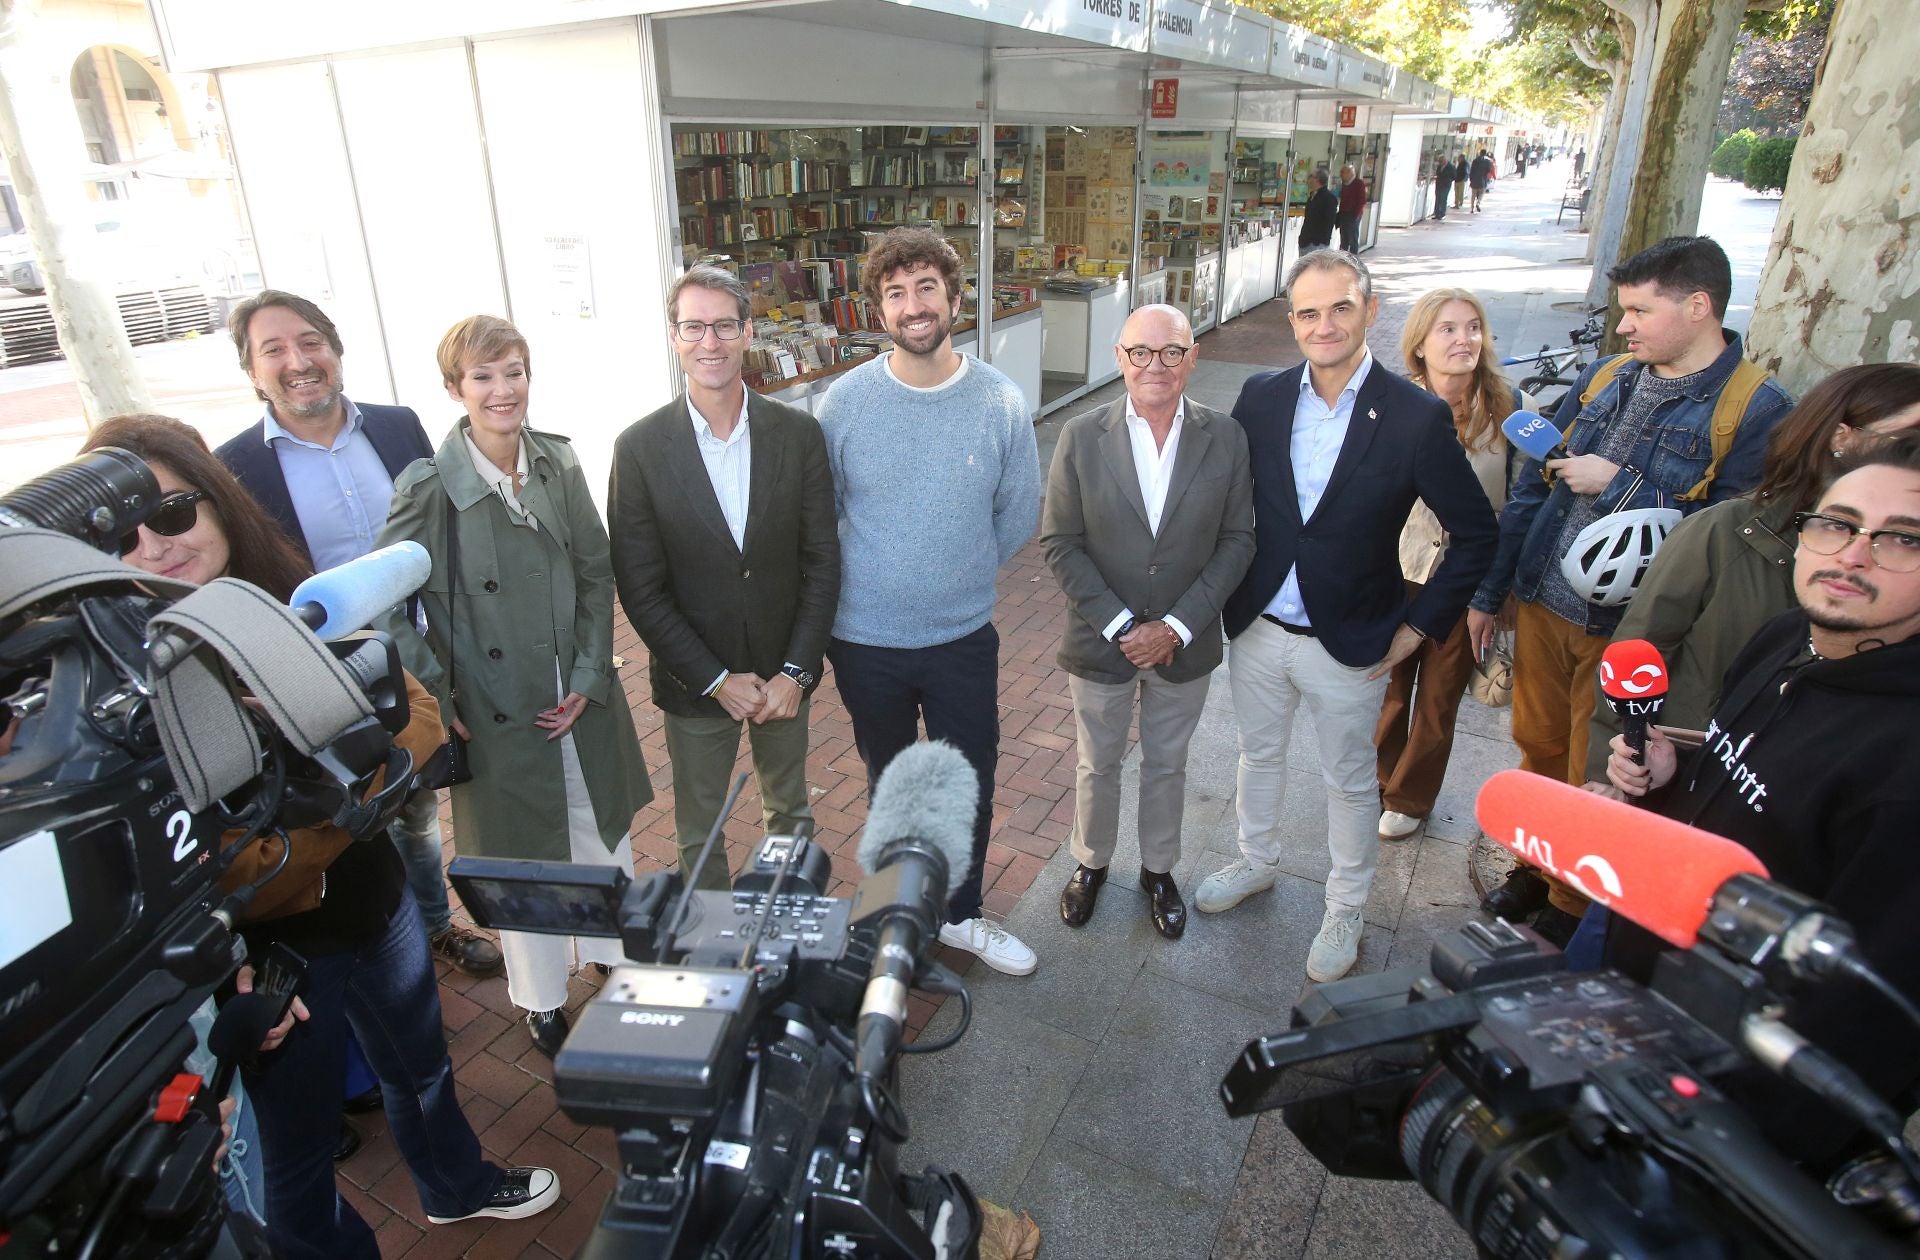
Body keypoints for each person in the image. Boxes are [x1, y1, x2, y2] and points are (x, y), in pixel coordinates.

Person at [91, 414, 559, 1260]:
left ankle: (456, 1187)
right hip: (270, 967)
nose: (156, 546)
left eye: (172, 512)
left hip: (379, 906)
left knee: (421, 1069)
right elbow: (220, 870)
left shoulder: (295, 600)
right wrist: (343, 807)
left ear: (219, 503)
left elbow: (416, 717)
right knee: (295, 1156)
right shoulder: (106, 688)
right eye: (124, 531)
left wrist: (314, 818)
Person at [1604, 432, 1920, 1169]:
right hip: (1646, 1016)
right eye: (1838, 524)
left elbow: (1870, 1019)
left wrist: (1734, 1160)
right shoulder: (1785, 638)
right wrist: (1667, 778)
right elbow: (1743, 798)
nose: (1853, 555)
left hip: (1735, 1116)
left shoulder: (1904, 761)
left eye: (1902, 539)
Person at [1468, 236, 1794, 940]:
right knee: (1541, 747)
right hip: (1545, 606)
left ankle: (1571, 909)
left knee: (1602, 770)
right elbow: (1537, 478)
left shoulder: (1759, 409)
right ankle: (1537, 868)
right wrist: (1492, 591)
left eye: (1640, 310)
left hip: (1631, 634)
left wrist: (1622, 486)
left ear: (1699, 307)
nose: (1624, 326)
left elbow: (1737, 534)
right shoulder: (1610, 372)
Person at [1195, 250, 1498, 983]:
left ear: (1369, 311)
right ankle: (1257, 860)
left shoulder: (1417, 415)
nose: (1323, 324)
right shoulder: (1261, 396)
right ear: (1291, 319)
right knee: (1257, 755)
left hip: (1354, 638)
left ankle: (1346, 906)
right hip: (1261, 626)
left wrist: (1418, 626)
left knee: (1350, 780)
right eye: (1307, 311)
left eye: (1339, 308)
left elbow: (1478, 534)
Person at [376, 315, 653, 1056]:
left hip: (579, 698)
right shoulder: (430, 486)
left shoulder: (558, 462)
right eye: (484, 376)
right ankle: (539, 999)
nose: (503, 391)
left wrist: (593, 677)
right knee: (521, 859)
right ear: (454, 388)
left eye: (515, 372)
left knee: (605, 835)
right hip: (493, 712)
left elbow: (597, 573)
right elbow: (385, 601)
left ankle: (615, 962)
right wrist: (439, 695)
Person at [214, 291, 500, 980]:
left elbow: (447, 537)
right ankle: (372, 951)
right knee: (343, 820)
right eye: (274, 350)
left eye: (310, 342)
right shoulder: (233, 468)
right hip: (319, 682)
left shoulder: (400, 427)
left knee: (417, 810)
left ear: (336, 352)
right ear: (252, 372)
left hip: (419, 660)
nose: (298, 361)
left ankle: (432, 928)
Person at [816, 227, 1043, 976]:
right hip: (865, 640)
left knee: (966, 780)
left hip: (960, 636)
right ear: (878, 309)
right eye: (895, 292)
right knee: (892, 784)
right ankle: (897, 918)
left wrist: (956, 572)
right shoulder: (843, 404)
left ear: (953, 297)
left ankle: (963, 915)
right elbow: (828, 515)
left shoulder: (998, 400)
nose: (913, 306)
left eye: (925, 289)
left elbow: (1017, 512)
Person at [608, 266, 840, 890]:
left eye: (723, 326)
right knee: (700, 829)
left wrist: (798, 670)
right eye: (694, 327)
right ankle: (710, 950)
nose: (709, 341)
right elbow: (640, 587)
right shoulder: (639, 450)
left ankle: (785, 935)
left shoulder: (798, 435)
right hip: (696, 679)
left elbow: (821, 561)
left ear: (747, 332)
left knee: (790, 814)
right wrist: (713, 679)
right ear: (674, 336)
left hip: (783, 675)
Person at [1583, 362, 1920, 784]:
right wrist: (1609, 773)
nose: (1853, 557)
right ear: (1841, 438)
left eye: (1904, 540)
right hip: (1686, 779)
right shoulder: (1724, 531)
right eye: (1909, 438)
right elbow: (1638, 651)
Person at [1040, 304, 1254, 939]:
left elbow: (1238, 541)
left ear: (1192, 357)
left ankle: (1158, 870)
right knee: (1096, 762)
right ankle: (1091, 862)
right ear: (1119, 357)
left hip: (1184, 646)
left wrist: (1177, 627)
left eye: (1170, 352)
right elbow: (1060, 542)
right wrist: (1121, 626)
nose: (1153, 365)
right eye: (1140, 352)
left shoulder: (1227, 437)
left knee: (1168, 763)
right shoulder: (1082, 436)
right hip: (1101, 644)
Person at [1376, 289, 1525, 841]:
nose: (1463, 339)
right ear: (1420, 343)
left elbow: (1517, 510)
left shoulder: (1513, 411)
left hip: (1466, 581)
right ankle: (1378, 779)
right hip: (1398, 570)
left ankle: (1410, 798)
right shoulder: (1392, 405)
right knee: (1390, 688)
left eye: (1472, 328)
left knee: (1438, 700)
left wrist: (1495, 593)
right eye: (1447, 329)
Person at [1298, 169, 1338, 251]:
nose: (1308, 180)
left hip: (1317, 243)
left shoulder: (1329, 198)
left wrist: (1318, 241)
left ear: (1317, 179)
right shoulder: (1312, 196)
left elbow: (1329, 221)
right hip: (1305, 242)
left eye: (1310, 177)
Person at [1336, 163, 1367, 253]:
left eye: (1342, 172)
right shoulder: (1344, 184)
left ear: (1350, 173)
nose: (1340, 174)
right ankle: (1343, 258)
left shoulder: (1359, 184)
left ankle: (1353, 260)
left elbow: (1361, 201)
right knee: (1343, 238)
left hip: (1353, 214)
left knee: (1353, 238)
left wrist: (1355, 215)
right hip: (1344, 214)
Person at [1431, 154, 1452, 223]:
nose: (1440, 163)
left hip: (1445, 185)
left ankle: (1442, 214)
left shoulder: (1450, 166)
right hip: (1439, 185)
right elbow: (1438, 173)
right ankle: (1437, 213)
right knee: (1438, 199)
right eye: (1440, 161)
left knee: (1443, 199)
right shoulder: (1439, 166)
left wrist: (1448, 180)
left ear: (1445, 161)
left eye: (1441, 161)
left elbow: (1454, 175)